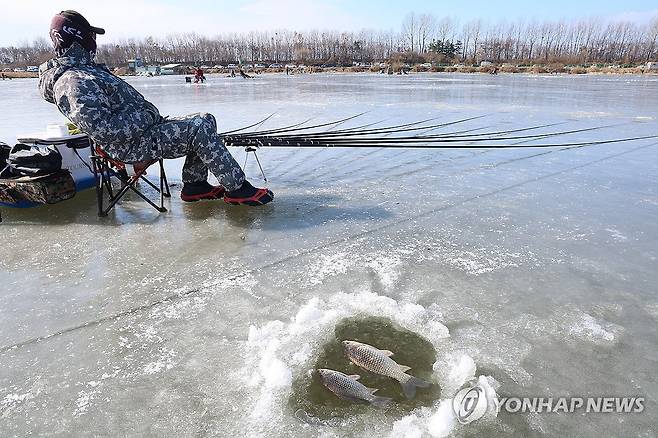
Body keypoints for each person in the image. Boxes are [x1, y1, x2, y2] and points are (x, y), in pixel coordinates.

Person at [39, 10, 273, 206]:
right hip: (129, 148)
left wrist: (147, 118)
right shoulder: (73, 81)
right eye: (91, 36)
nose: (94, 42)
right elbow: (104, 130)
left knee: (204, 119)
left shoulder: (85, 71)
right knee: (197, 129)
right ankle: (237, 188)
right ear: (76, 38)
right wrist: (147, 115)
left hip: (142, 135)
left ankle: (195, 185)